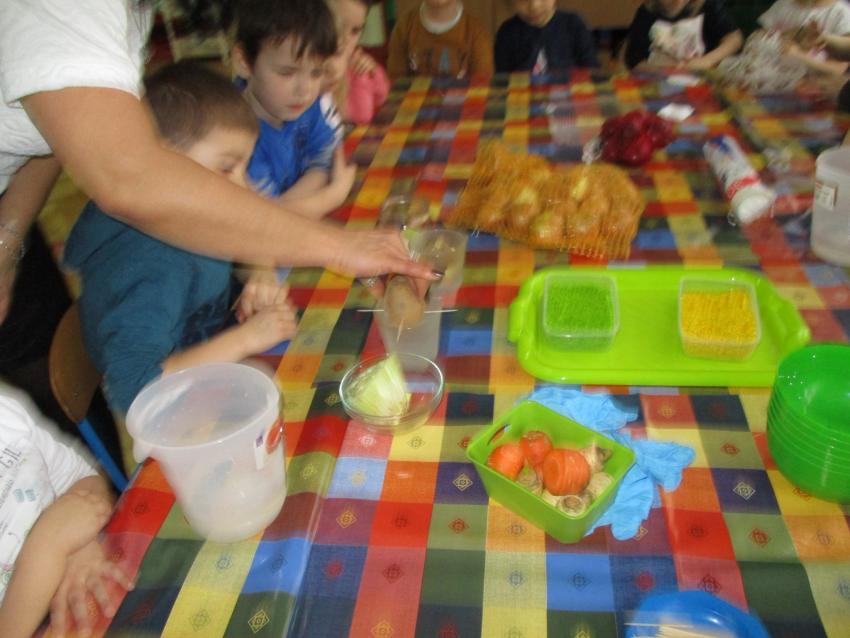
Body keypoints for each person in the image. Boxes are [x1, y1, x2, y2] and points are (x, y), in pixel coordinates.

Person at [0, 0, 435, 371]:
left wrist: (8, 238)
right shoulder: (152, 274)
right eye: (228, 171)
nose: (242, 189)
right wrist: (336, 245)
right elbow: (128, 177)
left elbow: (52, 127)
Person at [64, 62, 298, 417]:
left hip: (208, 360)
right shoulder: (151, 266)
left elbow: (246, 240)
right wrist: (246, 338)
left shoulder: (185, 213)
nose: (244, 187)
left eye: (244, 167)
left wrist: (259, 275)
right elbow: (137, 390)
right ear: (163, 164)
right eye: (226, 167)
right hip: (174, 411)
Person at [0, 384, 134, 638]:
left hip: (81, 578)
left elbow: (81, 477)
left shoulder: (5, 413)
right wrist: (49, 548)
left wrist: (78, 543)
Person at [232, 0, 357, 217]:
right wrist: (333, 195)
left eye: (317, 73)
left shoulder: (304, 105)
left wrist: (290, 205)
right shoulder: (234, 134)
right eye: (287, 73)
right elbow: (266, 220)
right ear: (243, 61)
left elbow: (326, 158)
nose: (305, 90)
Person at [323, 0, 391, 125]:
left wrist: (372, 71)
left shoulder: (353, 59)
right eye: (339, 27)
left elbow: (382, 95)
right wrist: (360, 79)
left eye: (355, 31)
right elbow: (361, 115)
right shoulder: (316, 68)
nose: (346, 39)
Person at [387, 0, 494, 79]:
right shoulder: (404, 28)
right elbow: (396, 82)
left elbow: (482, 84)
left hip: (463, 101)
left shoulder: (476, 32)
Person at [623, 0, 743, 70]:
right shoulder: (646, 13)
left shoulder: (708, 6)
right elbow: (635, 61)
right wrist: (665, 71)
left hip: (702, 82)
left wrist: (707, 60)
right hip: (659, 81)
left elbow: (734, 38)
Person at [494, 0, 598, 74]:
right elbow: (502, 77)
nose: (534, 6)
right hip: (522, 94)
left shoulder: (574, 24)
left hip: (568, 92)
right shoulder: (507, 31)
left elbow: (591, 69)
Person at [758, 0, 850, 75]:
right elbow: (760, 36)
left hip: (811, 81)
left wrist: (798, 55)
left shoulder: (842, 14)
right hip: (769, 71)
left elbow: (839, 69)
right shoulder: (784, 3)